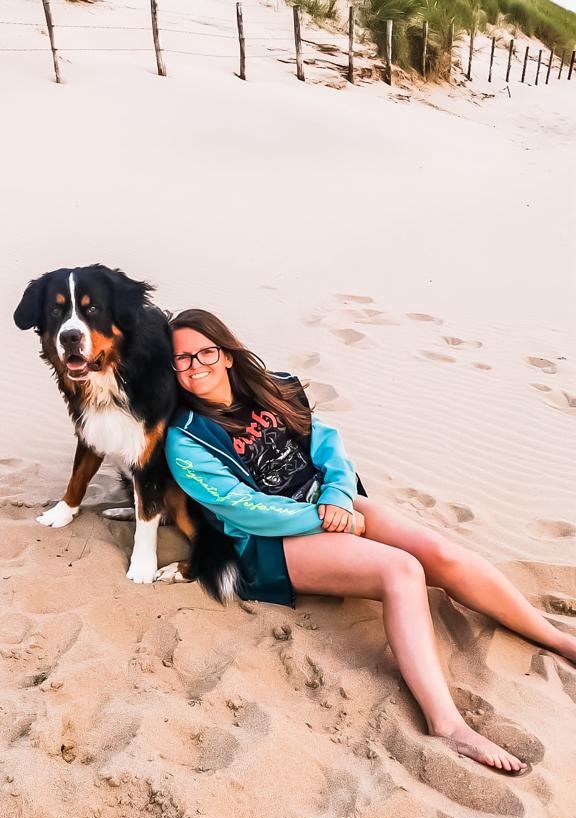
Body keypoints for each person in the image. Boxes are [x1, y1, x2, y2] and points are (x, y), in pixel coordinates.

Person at [165, 309, 576, 774]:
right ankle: (448, 725)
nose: (195, 364)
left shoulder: (276, 388)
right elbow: (243, 509)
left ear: (227, 355)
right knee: (400, 570)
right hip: (270, 543)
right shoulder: (186, 441)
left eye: (205, 352)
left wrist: (340, 498)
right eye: (182, 359)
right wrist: (326, 520)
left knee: (436, 551)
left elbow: (329, 448)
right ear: (172, 369)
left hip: (329, 502)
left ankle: (555, 639)